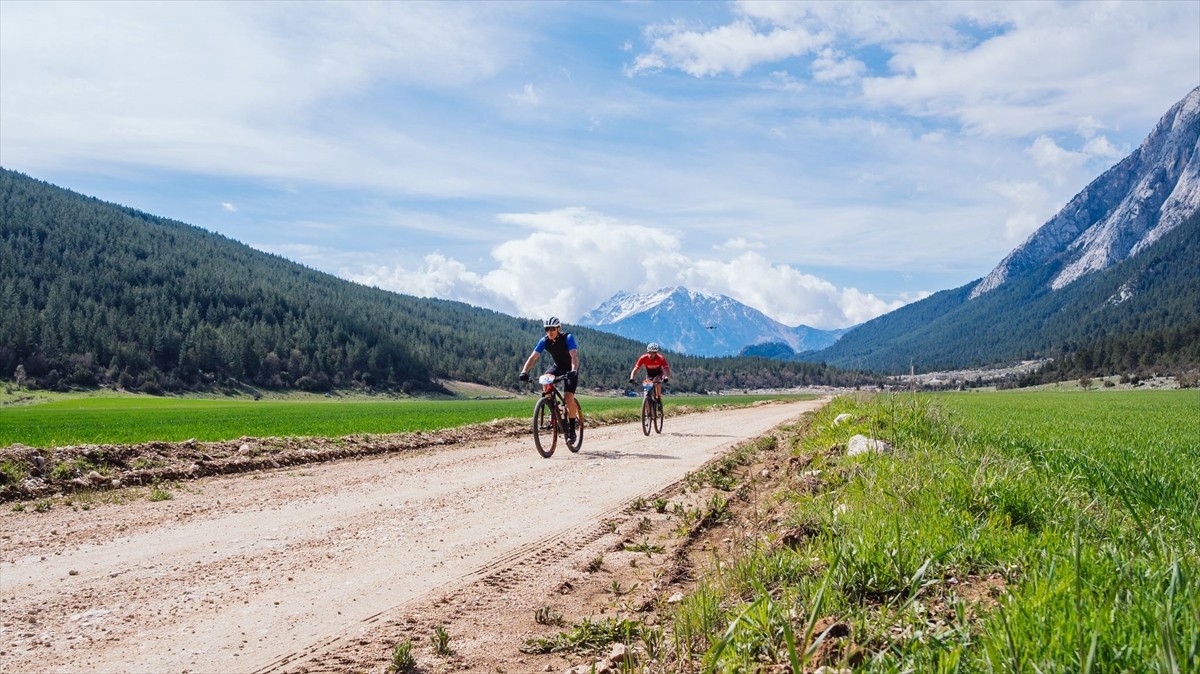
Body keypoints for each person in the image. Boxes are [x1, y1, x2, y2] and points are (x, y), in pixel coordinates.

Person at [519, 316, 581, 442]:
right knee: (544, 380)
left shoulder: (567, 338)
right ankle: (554, 409)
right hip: (557, 367)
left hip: (570, 369)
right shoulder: (544, 341)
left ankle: (572, 430)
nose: (550, 332)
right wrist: (524, 371)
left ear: (558, 328)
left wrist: (573, 370)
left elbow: (574, 356)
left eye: (552, 329)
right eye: (547, 329)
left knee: (569, 397)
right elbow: (533, 357)